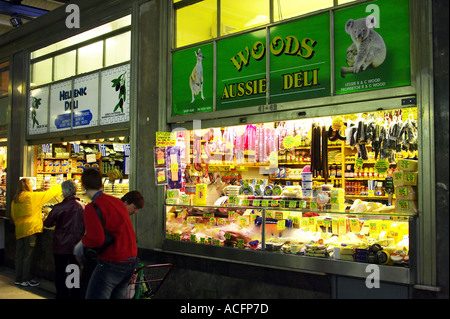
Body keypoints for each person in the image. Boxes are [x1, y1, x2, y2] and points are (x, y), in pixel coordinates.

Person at [81, 168, 137, 299]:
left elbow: (96, 239)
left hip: (112, 261)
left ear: (83, 186)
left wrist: (83, 240)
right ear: (101, 185)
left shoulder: (92, 207)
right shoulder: (117, 201)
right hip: (130, 260)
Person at [10, 178, 62, 287]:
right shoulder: (31, 197)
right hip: (30, 229)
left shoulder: (15, 200)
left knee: (20, 255)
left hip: (19, 230)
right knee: (28, 255)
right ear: (27, 186)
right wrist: (60, 185)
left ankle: (18, 278)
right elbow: (49, 194)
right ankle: (26, 279)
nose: (32, 185)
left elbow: (13, 216)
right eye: (31, 184)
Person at [43, 179, 84, 299]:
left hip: (60, 245)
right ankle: (74, 295)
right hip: (76, 245)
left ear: (64, 192)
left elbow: (48, 223)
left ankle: (62, 295)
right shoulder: (83, 207)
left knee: (60, 271)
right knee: (74, 271)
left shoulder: (58, 207)